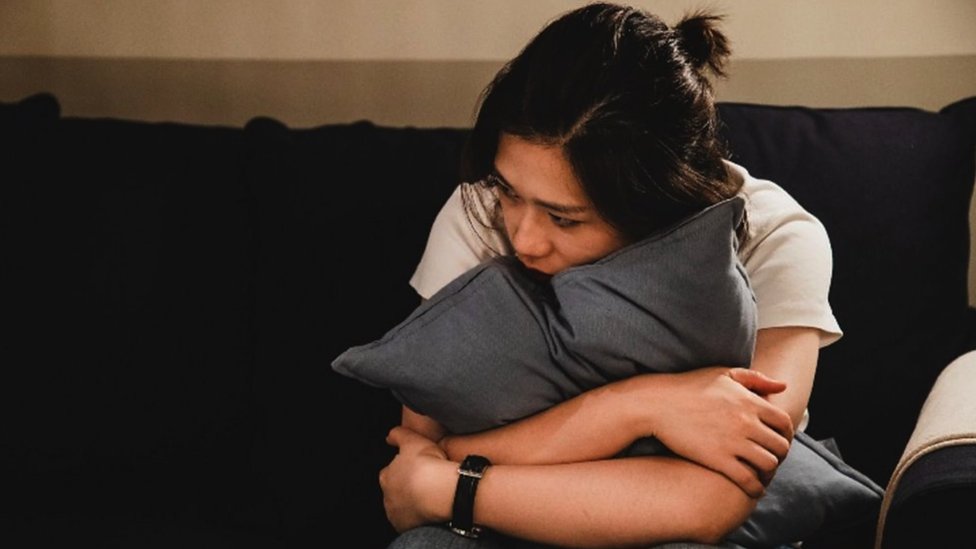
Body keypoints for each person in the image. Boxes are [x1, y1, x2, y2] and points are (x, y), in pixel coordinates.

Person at [380, 3, 842, 547]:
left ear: (657, 201)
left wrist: (451, 482)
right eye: (509, 190)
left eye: (564, 218)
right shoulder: (479, 213)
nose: (524, 237)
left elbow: (721, 486)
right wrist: (642, 407)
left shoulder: (775, 235)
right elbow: (416, 452)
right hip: (504, 523)